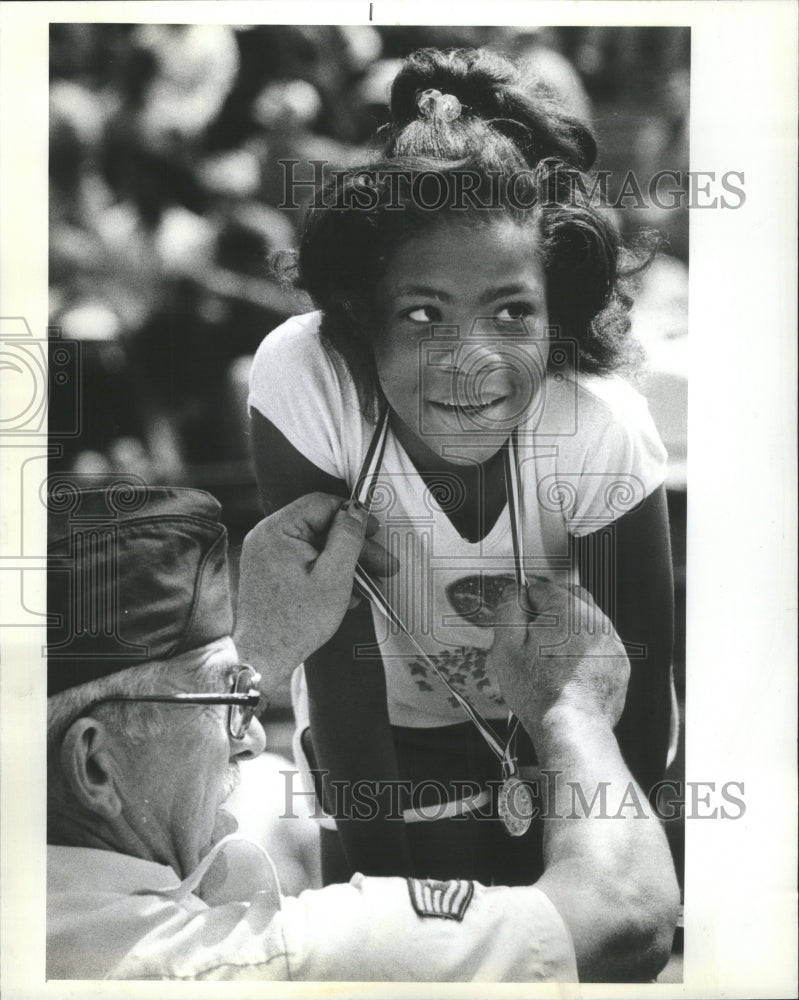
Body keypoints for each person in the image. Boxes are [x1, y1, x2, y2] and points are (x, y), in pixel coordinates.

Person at [248, 47, 676, 885]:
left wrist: (600, 889)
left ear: (556, 316)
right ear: (359, 315)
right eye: (421, 312)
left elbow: (642, 697)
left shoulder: (599, 425)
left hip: (562, 731)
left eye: (510, 311)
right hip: (383, 745)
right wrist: (384, 908)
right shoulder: (308, 378)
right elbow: (337, 665)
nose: (469, 360)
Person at [46, 484, 678, 982]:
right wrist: (570, 711)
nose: (253, 737)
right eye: (223, 698)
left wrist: (248, 663)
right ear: (96, 765)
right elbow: (621, 919)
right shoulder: (225, 965)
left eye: (245, 695)